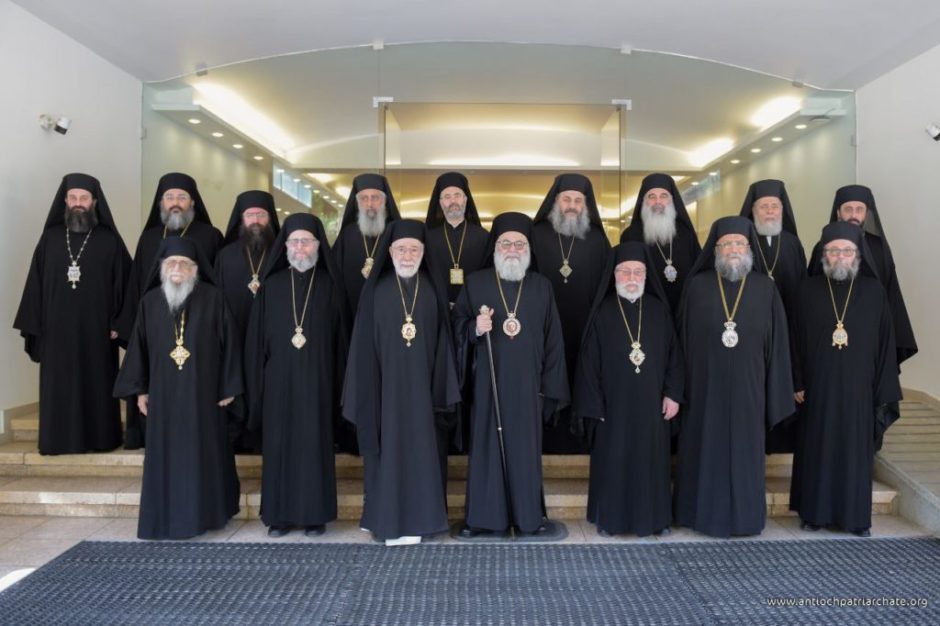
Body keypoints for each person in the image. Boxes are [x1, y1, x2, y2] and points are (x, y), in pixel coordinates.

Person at [113, 238, 241, 540]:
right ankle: (164, 517)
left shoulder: (214, 298)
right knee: (166, 457)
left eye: (185, 263)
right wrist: (140, 390)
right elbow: (139, 350)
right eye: (171, 263)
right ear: (162, 268)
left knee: (205, 454)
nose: (177, 268)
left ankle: (208, 514)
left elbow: (231, 344)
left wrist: (229, 386)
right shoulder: (149, 302)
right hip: (164, 396)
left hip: (204, 395)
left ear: (195, 269)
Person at [342, 219, 460, 545]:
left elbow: (444, 346)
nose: (407, 255)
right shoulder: (376, 292)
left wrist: (441, 391)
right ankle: (385, 521)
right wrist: (364, 393)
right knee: (386, 456)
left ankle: (425, 521)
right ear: (390, 252)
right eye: (401, 249)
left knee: (425, 452)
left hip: (424, 396)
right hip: (384, 396)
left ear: (423, 252)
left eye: (414, 249)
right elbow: (362, 349)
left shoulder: (432, 292)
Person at [674, 216, 794, 538]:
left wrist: (776, 394)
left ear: (749, 249)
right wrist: (678, 390)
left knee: (745, 453)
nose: (733, 249)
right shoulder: (697, 286)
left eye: (739, 243)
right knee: (704, 449)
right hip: (704, 389)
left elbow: (778, 345)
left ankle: (746, 519)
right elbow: (680, 343)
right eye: (726, 244)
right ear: (715, 249)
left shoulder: (765, 288)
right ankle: (700, 515)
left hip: (750, 389)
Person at [454, 212, 569, 538]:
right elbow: (455, 327)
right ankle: (484, 518)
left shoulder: (541, 287)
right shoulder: (476, 283)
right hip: (487, 385)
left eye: (520, 244)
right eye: (506, 243)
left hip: (528, 388)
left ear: (528, 250)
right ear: (496, 248)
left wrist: (548, 389)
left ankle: (528, 518)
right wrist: (475, 328)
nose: (513, 250)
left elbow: (554, 342)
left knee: (524, 452)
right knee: (487, 450)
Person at [790, 222, 902, 537]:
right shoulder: (806, 290)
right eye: (834, 250)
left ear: (857, 255)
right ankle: (814, 514)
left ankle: (855, 519)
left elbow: (885, 345)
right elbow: (793, 341)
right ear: (824, 254)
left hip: (859, 391)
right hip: (817, 389)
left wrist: (881, 390)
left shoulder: (874, 292)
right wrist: (796, 381)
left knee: (854, 454)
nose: (841, 256)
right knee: (817, 449)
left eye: (847, 251)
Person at [244, 213, 348, 538]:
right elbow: (256, 343)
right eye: (294, 242)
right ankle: (279, 516)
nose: (300, 247)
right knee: (279, 447)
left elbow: (342, 343)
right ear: (285, 246)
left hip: (319, 383)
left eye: (307, 241)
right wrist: (257, 386)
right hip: (279, 384)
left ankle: (316, 516)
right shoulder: (272, 286)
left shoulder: (331, 286)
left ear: (318, 245)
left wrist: (341, 387)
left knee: (315, 447)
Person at [14, 173, 131, 454]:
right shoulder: (50, 239)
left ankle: (101, 439)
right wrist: (36, 325)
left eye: (84, 198)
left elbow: (128, 285)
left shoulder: (109, 241)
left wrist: (119, 322)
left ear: (94, 202)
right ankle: (57, 441)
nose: (78, 203)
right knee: (59, 386)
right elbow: (35, 285)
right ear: (65, 201)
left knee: (97, 384)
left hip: (97, 331)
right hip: (56, 332)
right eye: (73, 197)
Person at [574, 241, 683, 537]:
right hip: (612, 409)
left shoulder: (659, 311)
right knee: (614, 462)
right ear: (614, 275)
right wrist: (594, 406)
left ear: (646, 275)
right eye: (625, 271)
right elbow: (588, 364)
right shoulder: (602, 312)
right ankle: (611, 521)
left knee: (652, 463)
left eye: (638, 271)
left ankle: (656, 520)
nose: (631, 278)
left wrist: (673, 394)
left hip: (652, 406)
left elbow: (675, 357)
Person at [116, 172, 223, 449]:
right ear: (161, 202)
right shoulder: (149, 237)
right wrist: (126, 323)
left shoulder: (210, 236)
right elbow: (137, 283)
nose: (175, 202)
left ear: (193, 202)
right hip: (156, 326)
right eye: (169, 197)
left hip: (198, 325)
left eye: (182, 197)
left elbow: (215, 282)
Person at [530, 173, 610, 453]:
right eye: (567, 199)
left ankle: (581, 443)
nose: (572, 206)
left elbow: (607, 287)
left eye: (578, 200)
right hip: (544, 328)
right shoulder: (537, 235)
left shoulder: (597, 239)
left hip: (585, 329)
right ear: (556, 202)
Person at [422, 171, 490, 482]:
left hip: (471, 323)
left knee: (470, 381)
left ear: (466, 200)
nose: (452, 201)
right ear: (439, 202)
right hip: (436, 323)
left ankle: (468, 442)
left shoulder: (482, 237)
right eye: (447, 196)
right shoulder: (427, 237)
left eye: (457, 196)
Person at [808, 184, 916, 367]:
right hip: (829, 336)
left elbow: (890, 292)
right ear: (838, 212)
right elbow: (811, 294)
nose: (853, 215)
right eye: (848, 209)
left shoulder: (879, 248)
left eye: (859, 209)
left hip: (870, 335)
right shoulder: (824, 248)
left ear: (867, 213)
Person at [738, 179, 807, 454]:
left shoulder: (792, 244)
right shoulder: (741, 244)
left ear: (782, 210)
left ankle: (781, 443)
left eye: (774, 206)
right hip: (751, 332)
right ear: (753, 210)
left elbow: (801, 289)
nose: (769, 211)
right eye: (763, 206)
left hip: (787, 330)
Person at [214, 190, 280, 452]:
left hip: (271, 337)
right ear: (241, 219)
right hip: (236, 335)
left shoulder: (282, 253)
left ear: (270, 218)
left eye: (261, 215)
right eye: (250, 215)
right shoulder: (225, 256)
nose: (255, 220)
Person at [620, 173, 701, 314]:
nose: (658, 202)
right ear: (644, 202)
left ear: (672, 200)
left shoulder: (685, 234)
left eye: (664, 196)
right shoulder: (630, 235)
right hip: (646, 310)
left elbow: (698, 274)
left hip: (684, 309)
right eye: (652, 196)